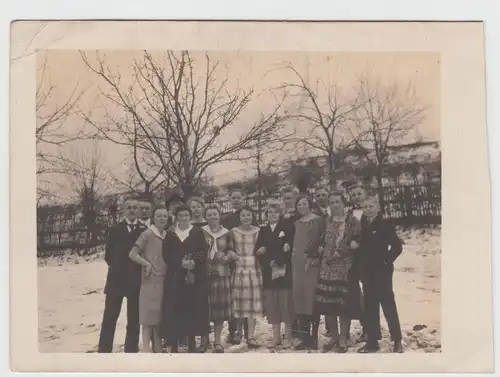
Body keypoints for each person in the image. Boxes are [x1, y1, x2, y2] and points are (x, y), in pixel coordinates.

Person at [98, 197, 148, 353]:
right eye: (129, 207)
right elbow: (108, 255)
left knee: (134, 319)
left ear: (138, 210)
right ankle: (104, 350)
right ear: (124, 210)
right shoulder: (115, 229)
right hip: (116, 281)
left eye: (135, 207)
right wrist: (119, 268)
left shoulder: (143, 230)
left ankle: (131, 349)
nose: (132, 210)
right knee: (110, 318)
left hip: (135, 281)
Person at [314, 191, 362, 353]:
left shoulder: (352, 221)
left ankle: (343, 337)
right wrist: (320, 248)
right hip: (326, 266)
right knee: (328, 303)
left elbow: (357, 241)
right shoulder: (325, 221)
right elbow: (319, 238)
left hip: (344, 267)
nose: (334, 205)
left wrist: (341, 251)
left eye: (337, 202)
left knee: (342, 303)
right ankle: (333, 336)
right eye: (331, 202)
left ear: (344, 203)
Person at [357, 196, 404, 354]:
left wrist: (387, 260)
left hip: (382, 271)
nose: (368, 209)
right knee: (370, 305)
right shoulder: (362, 224)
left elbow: (397, 246)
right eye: (365, 206)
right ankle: (372, 341)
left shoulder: (384, 224)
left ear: (378, 207)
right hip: (367, 271)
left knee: (387, 304)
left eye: (371, 206)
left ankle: (397, 340)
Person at [161, 204, 209, 353]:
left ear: (190, 217)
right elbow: (166, 254)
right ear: (176, 217)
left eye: (186, 216)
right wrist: (179, 263)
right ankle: (174, 344)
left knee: (192, 309)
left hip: (193, 278)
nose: (183, 218)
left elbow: (203, 251)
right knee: (175, 310)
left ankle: (192, 343)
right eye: (180, 216)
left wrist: (194, 262)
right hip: (175, 278)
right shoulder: (170, 234)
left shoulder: (197, 232)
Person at [129, 205, 169, 353]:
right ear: (153, 217)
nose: (162, 219)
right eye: (159, 216)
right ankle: (145, 348)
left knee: (158, 317)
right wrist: (146, 263)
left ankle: (157, 348)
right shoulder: (147, 234)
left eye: (165, 216)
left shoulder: (167, 234)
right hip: (149, 280)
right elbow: (133, 254)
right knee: (147, 317)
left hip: (163, 280)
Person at [255, 202, 294, 349]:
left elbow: (289, 247)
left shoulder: (286, 228)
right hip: (269, 272)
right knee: (272, 304)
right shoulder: (263, 230)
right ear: (266, 215)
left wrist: (279, 259)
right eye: (270, 212)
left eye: (275, 212)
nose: (272, 214)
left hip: (284, 270)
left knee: (285, 303)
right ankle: (276, 336)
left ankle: (288, 336)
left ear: (280, 214)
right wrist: (267, 261)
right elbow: (258, 250)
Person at [202, 205, 239, 353]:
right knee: (205, 308)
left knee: (219, 310)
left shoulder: (226, 233)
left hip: (222, 273)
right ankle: (204, 341)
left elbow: (231, 250)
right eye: (209, 215)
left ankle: (217, 341)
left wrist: (227, 256)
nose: (212, 217)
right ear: (206, 217)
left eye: (215, 214)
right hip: (205, 275)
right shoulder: (201, 232)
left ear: (219, 215)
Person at [220, 188, 253, 344]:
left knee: (246, 297)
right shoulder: (226, 219)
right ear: (230, 199)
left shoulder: (249, 215)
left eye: (239, 197)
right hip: (232, 263)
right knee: (233, 299)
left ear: (243, 198)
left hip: (247, 263)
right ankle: (233, 331)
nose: (236, 200)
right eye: (233, 197)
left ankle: (247, 331)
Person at [291, 195, 324, 350]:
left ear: (310, 205)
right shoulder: (296, 223)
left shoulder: (317, 220)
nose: (301, 206)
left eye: (304, 204)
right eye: (299, 204)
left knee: (312, 299)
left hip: (311, 264)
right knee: (300, 299)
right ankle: (304, 337)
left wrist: (314, 256)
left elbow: (320, 239)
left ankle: (314, 337)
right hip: (297, 264)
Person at [231, 206, 263, 348]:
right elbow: (229, 248)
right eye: (243, 215)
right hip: (239, 268)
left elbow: (263, 246)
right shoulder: (234, 232)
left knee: (252, 303)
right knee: (239, 302)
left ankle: (250, 335)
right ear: (239, 217)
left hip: (254, 268)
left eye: (249, 215)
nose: (246, 218)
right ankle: (239, 333)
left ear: (252, 216)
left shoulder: (258, 231)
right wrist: (231, 253)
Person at [280, 186, 301, 338]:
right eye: (285, 198)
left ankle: (302, 326)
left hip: (300, 257)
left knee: (300, 292)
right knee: (289, 293)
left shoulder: (301, 215)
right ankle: (292, 326)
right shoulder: (282, 216)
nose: (288, 201)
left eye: (290, 197)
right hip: (286, 260)